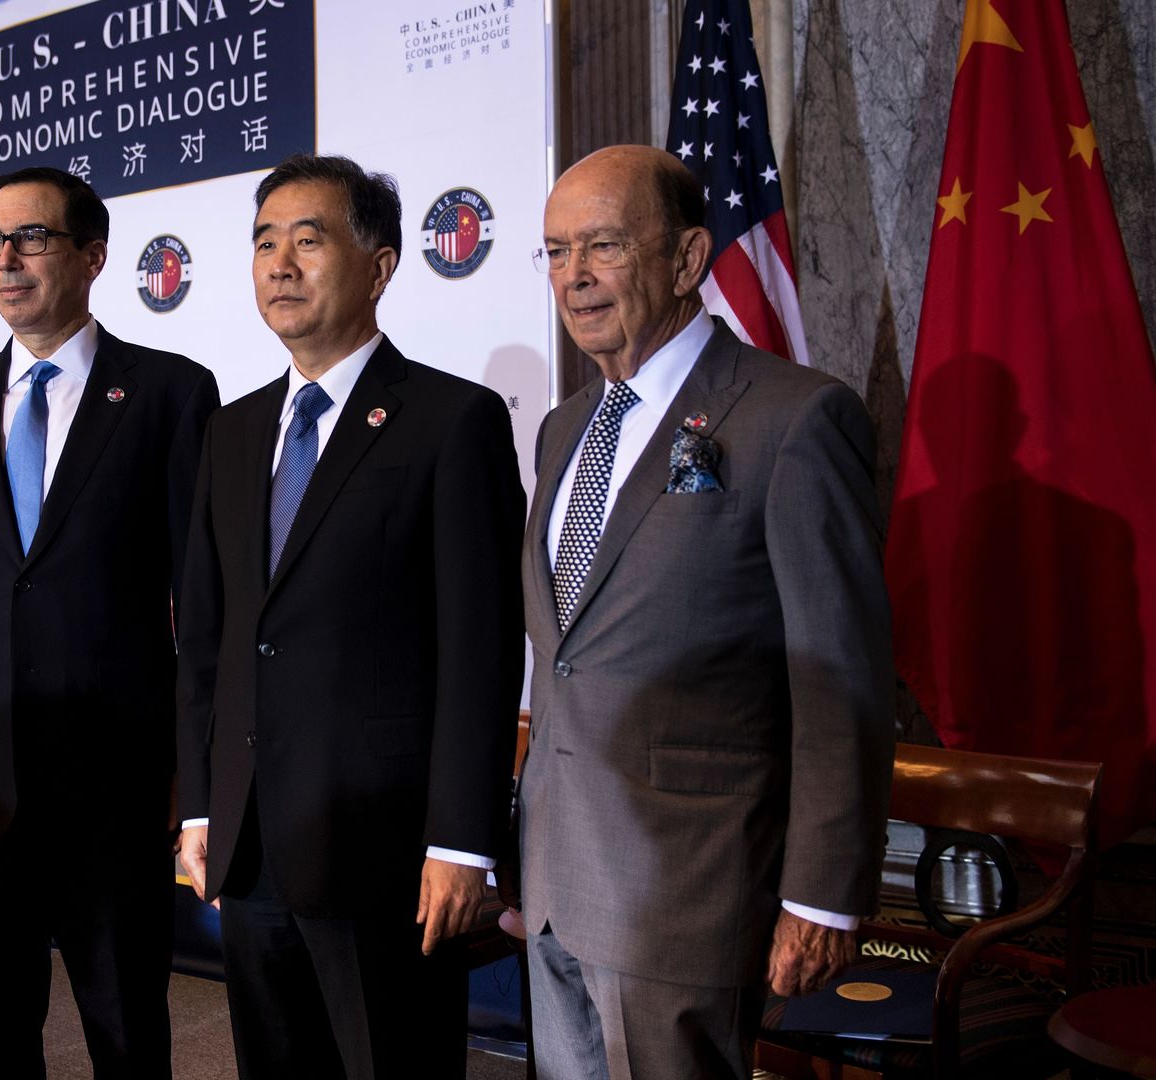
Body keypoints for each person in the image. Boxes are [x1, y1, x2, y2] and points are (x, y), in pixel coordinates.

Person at [513, 144, 895, 1079]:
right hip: (557, 880)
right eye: (556, 252)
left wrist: (823, 897)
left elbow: (838, 672)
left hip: (690, 890)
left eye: (602, 246)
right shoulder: (565, 427)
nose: (575, 277)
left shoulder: (795, 419)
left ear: (687, 261)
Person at [174, 153, 527, 1079]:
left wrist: (462, 842)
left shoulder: (453, 421)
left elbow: (481, 652)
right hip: (251, 850)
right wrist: (200, 807)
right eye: (263, 242)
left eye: (307, 238)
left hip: (391, 856)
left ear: (379, 265)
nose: (279, 264)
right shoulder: (234, 429)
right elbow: (209, 641)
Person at [0, 165, 220, 1078]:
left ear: (93, 255)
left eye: (32, 238)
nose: (7, 259)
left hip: (114, 775)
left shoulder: (169, 394)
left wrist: (198, 780)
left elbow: (205, 604)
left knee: (127, 1024)